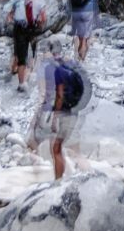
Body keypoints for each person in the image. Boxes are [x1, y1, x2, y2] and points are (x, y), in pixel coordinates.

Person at [28, 36, 90, 180]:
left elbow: (49, 96)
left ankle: (60, 182)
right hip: (76, 110)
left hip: (63, 113)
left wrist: (41, 118)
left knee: (56, 149)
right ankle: (84, 178)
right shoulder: (70, 62)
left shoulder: (50, 68)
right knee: (72, 149)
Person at [2, 0, 47, 91]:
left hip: (19, 24)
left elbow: (14, 0)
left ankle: (17, 71)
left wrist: (11, 15)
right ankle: (25, 75)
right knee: (30, 50)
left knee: (19, 49)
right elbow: (42, 17)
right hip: (30, 25)